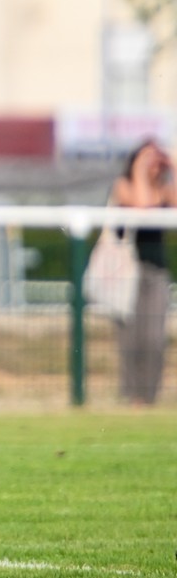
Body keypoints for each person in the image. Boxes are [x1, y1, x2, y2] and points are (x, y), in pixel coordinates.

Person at [110, 139, 175, 405]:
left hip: (156, 271)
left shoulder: (165, 190)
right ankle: (132, 396)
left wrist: (173, 165)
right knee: (131, 337)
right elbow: (142, 208)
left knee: (154, 338)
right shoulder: (123, 185)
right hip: (127, 271)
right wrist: (140, 170)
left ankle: (149, 396)